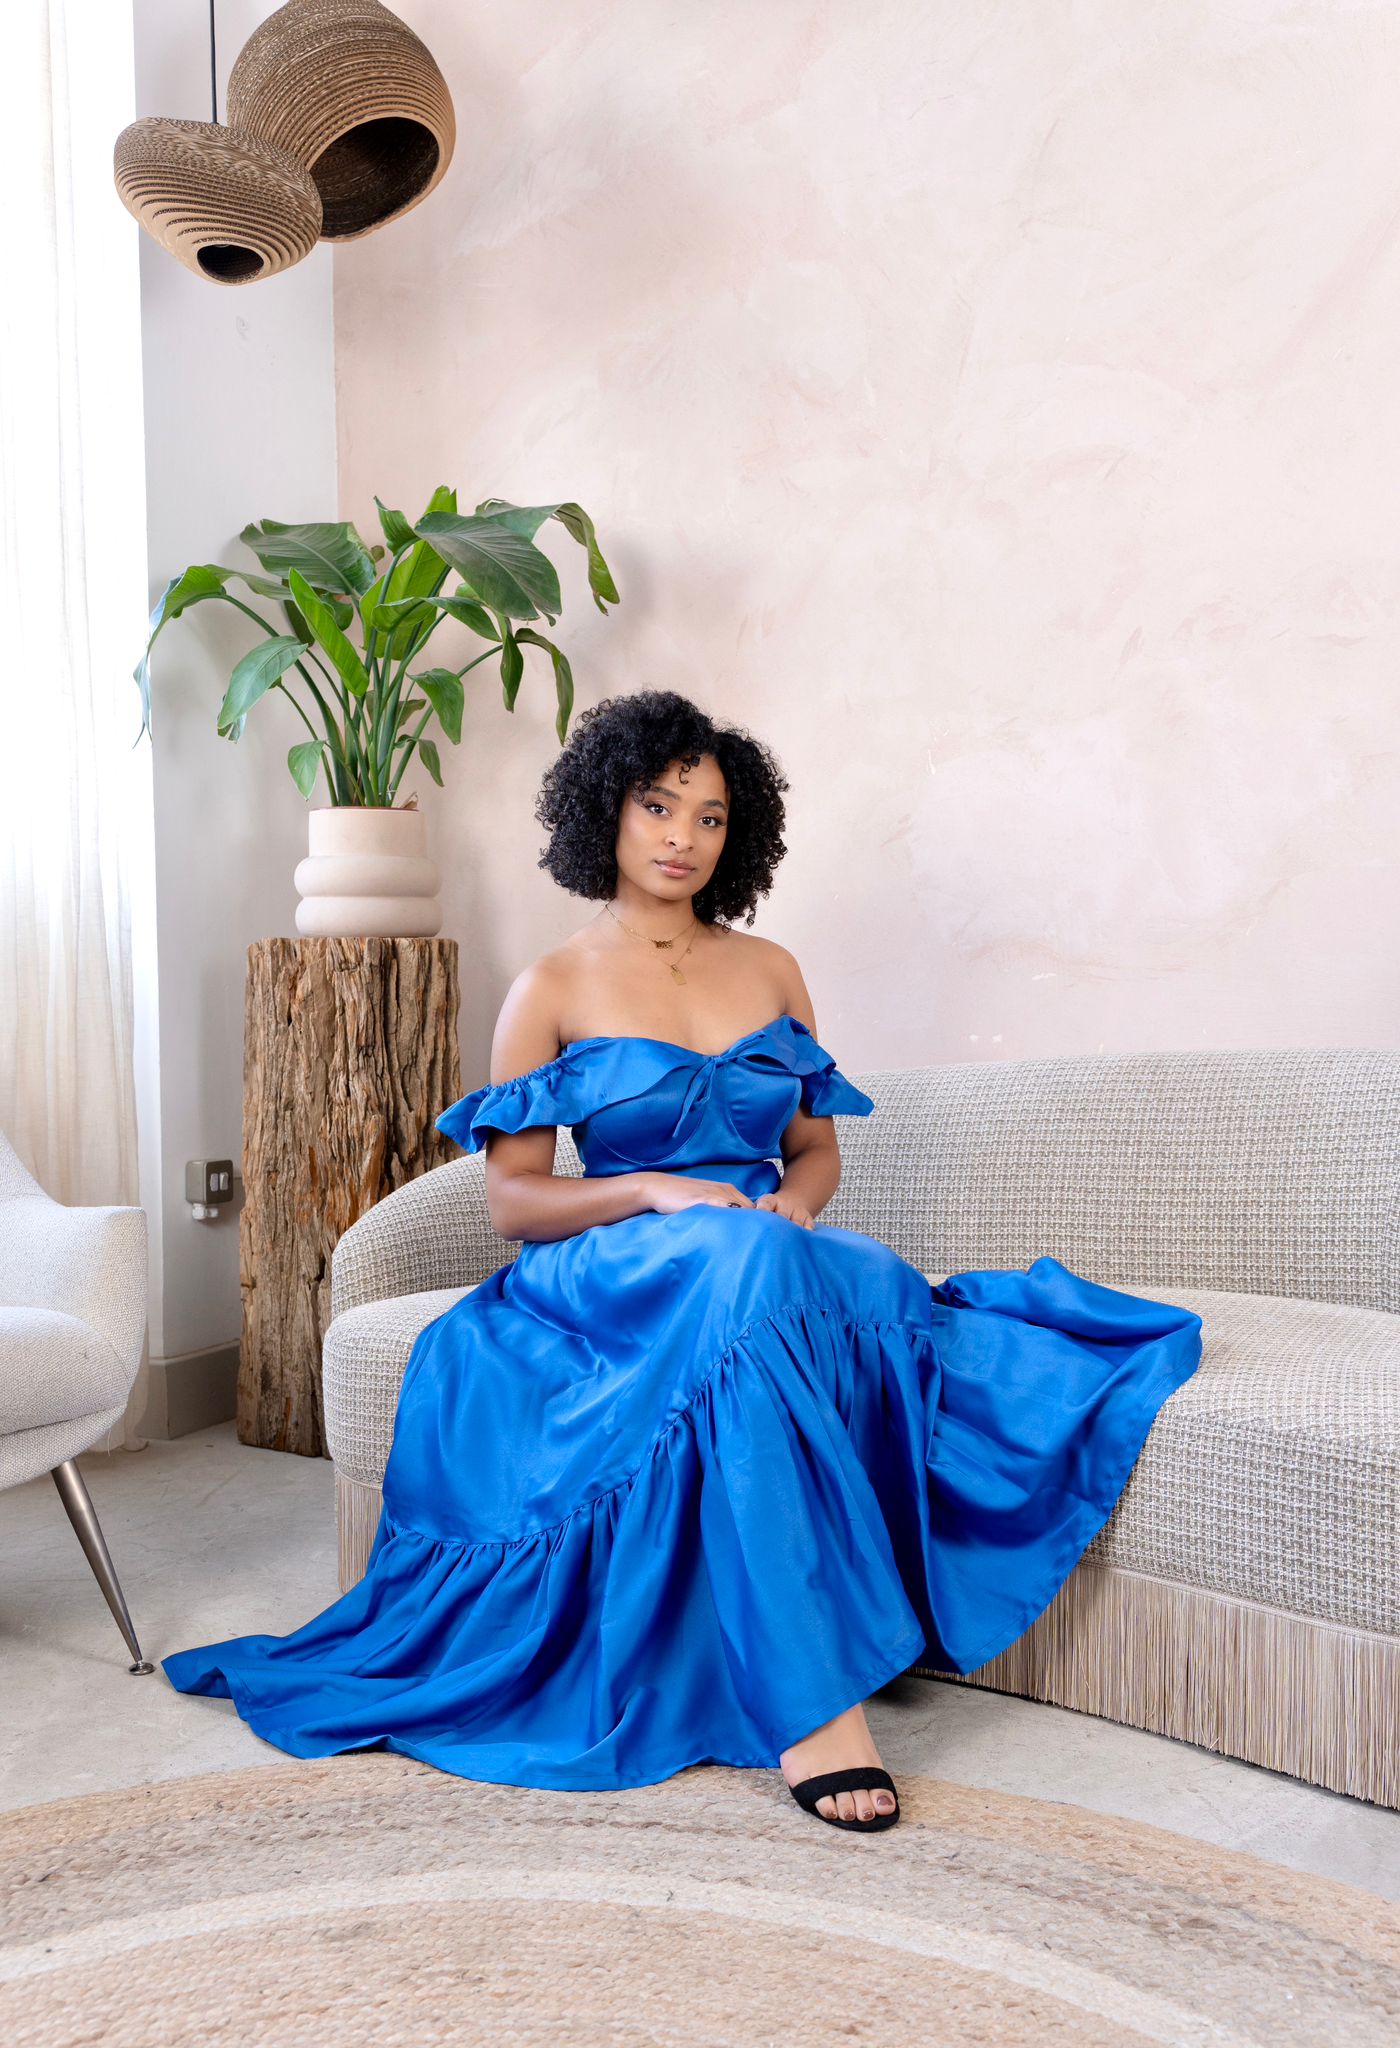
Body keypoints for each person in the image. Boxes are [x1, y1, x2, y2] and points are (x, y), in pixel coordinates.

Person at [162, 688, 1203, 1836]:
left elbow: (813, 1153)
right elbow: (513, 1200)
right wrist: (656, 1187)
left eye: (709, 817)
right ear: (603, 812)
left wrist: (792, 1212)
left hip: (761, 1254)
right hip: (613, 1272)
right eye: (658, 805)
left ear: (736, 835)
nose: (680, 836)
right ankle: (816, 1705)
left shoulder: (771, 968)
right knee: (728, 1257)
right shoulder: (549, 985)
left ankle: (811, 1586)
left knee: (839, 1274)